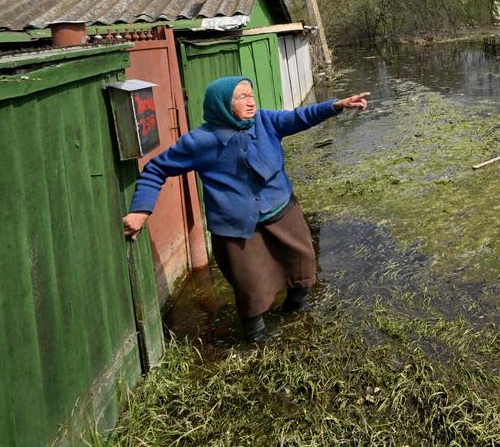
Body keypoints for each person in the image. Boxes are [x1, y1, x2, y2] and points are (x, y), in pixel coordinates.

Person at [122, 76, 369, 342]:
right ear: (222, 105)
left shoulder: (265, 122)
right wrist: (142, 209)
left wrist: (336, 105)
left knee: (302, 262)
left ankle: (296, 309)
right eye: (241, 97)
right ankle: (256, 335)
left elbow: (299, 117)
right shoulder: (200, 141)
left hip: (281, 210)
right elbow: (156, 169)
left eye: (251, 94)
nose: (250, 101)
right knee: (250, 284)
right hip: (236, 226)